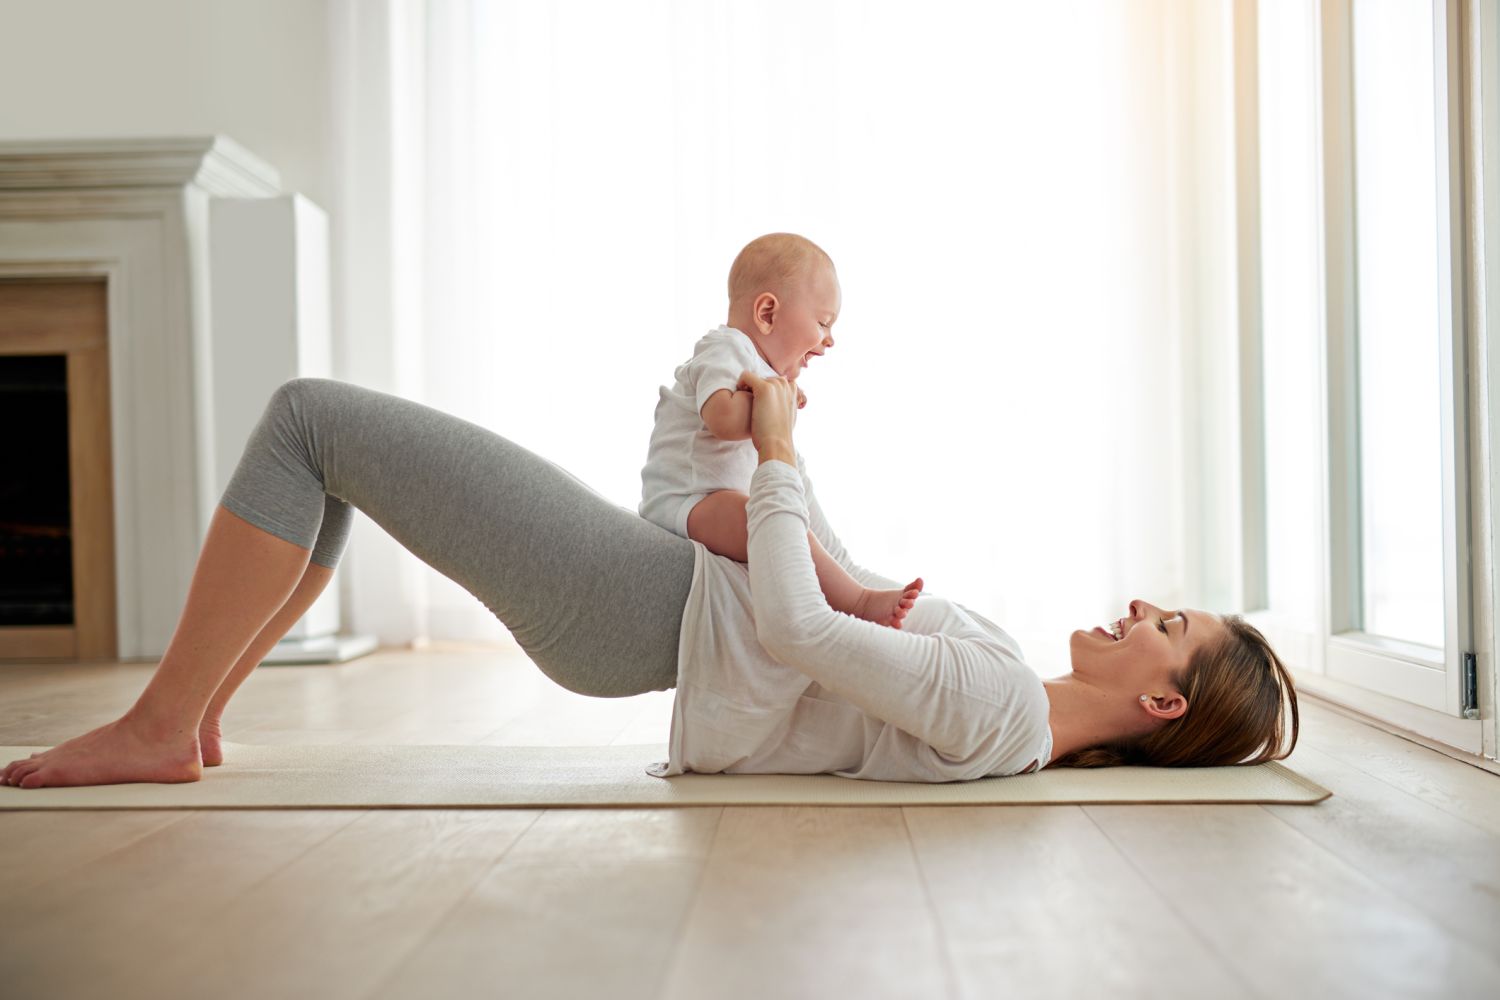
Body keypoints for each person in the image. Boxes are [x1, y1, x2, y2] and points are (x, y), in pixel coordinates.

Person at [1, 369, 1297, 789]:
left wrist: (782, 444)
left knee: (307, 422)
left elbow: (792, 625)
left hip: (643, 611)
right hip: (662, 601)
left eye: (1164, 627)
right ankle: (196, 718)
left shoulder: (1003, 714)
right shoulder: (1006, 683)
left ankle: (164, 725)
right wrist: (764, 470)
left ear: (1167, 705)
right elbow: (821, 600)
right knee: (330, 454)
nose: (1138, 608)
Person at [640, 232, 923, 628]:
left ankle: (848, 594)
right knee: (775, 524)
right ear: (768, 314)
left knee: (785, 520)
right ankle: (855, 600)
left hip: (711, 499)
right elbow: (721, 417)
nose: (829, 341)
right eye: (823, 323)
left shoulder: (759, 367)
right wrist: (773, 406)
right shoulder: (725, 347)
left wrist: (777, 397)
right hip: (683, 501)